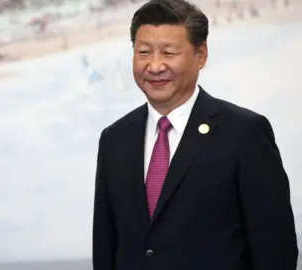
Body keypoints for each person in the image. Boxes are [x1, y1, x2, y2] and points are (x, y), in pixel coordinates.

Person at [91, 1, 298, 270]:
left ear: (201, 55)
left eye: (168, 52)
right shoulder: (114, 139)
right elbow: (106, 247)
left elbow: (275, 250)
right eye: (143, 52)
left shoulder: (244, 134)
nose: (154, 66)